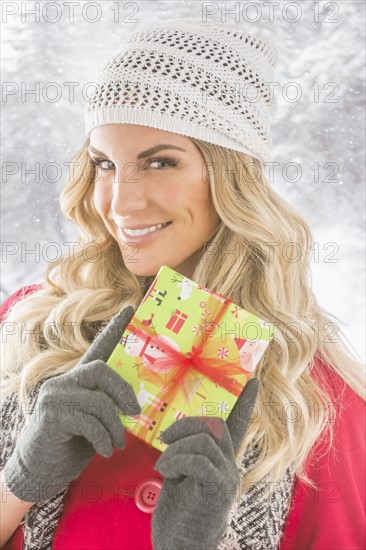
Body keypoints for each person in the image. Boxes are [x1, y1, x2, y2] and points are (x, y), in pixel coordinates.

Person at [1, 20, 365, 550]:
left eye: (160, 161)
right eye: (104, 163)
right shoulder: (31, 329)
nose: (121, 202)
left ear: (230, 175)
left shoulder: (314, 400)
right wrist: (18, 484)